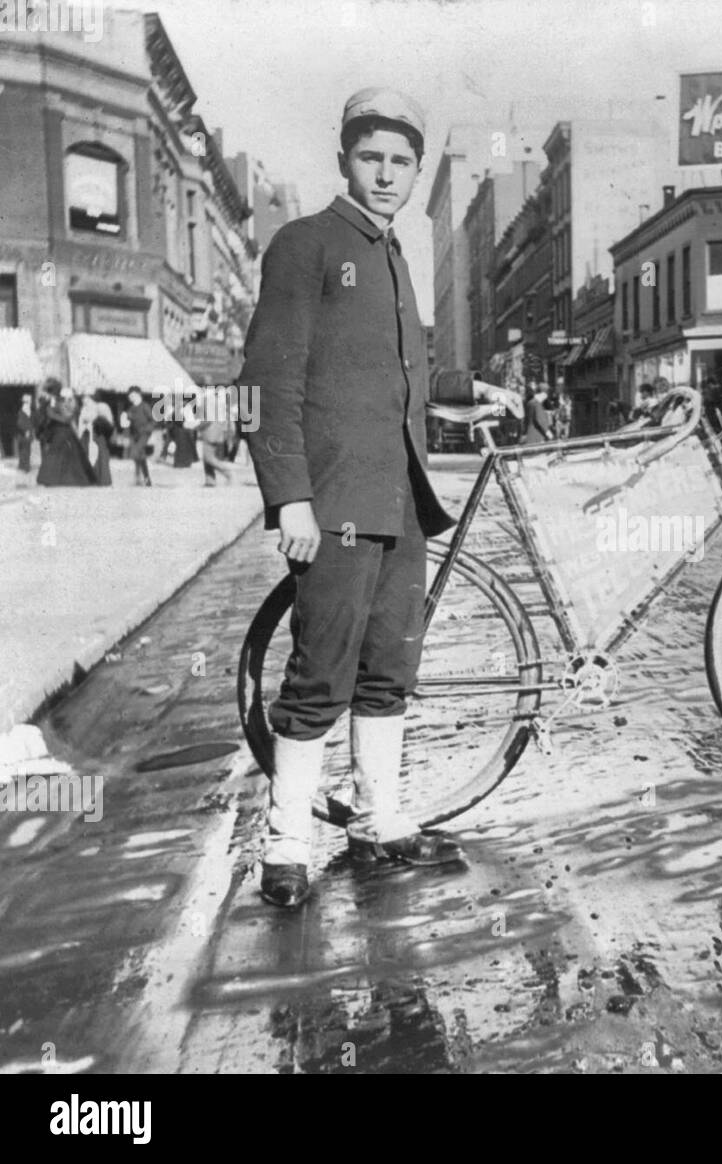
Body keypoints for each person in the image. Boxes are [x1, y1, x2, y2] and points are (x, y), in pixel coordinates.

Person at [240, 86, 464, 909]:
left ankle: (379, 822)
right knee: (318, 675)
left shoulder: (394, 253)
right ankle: (287, 843)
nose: (386, 174)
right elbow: (266, 380)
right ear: (344, 158)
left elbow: (395, 377)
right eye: (371, 157)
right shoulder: (306, 244)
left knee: (389, 671)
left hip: (402, 501)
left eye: (402, 162)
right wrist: (289, 498)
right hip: (332, 502)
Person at [35, 381, 95, 487]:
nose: (47, 395)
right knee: (56, 455)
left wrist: (51, 413)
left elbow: (68, 418)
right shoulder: (48, 403)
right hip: (56, 433)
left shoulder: (64, 403)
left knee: (64, 456)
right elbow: (43, 418)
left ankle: (56, 479)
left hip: (64, 432)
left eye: (49, 392)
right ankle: (51, 479)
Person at [124, 387, 154, 486]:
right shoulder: (131, 409)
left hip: (144, 434)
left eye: (132, 396)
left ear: (138, 395)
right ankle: (145, 479)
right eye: (129, 396)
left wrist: (147, 430)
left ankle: (139, 477)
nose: (130, 398)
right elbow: (128, 423)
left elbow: (152, 420)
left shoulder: (145, 406)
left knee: (135, 452)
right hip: (135, 435)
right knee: (140, 456)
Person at [15, 393, 34, 473]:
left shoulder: (27, 410)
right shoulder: (23, 410)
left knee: (25, 450)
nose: (30, 402)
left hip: (27, 433)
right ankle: (25, 466)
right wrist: (25, 431)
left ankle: (23, 466)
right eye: (29, 401)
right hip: (24, 434)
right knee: (25, 450)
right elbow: (20, 423)